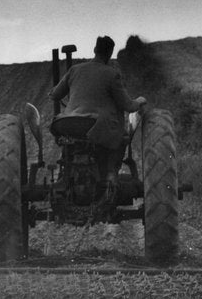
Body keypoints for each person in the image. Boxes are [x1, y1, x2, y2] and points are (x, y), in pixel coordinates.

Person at [48, 35, 147, 193]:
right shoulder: (111, 74)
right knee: (122, 137)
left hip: (68, 123)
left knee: (70, 142)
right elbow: (127, 105)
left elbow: (55, 95)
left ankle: (66, 175)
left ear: (94, 49)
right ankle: (110, 172)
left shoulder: (74, 70)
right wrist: (140, 101)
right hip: (97, 124)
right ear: (110, 53)